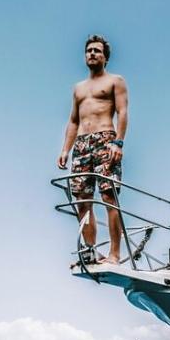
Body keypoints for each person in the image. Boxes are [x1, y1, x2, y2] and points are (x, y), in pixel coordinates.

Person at [57, 35, 129, 264]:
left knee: (109, 196)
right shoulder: (78, 88)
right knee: (82, 199)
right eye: (89, 50)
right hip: (81, 144)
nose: (92, 54)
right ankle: (89, 252)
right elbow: (73, 121)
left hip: (105, 140)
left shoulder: (115, 81)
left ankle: (115, 254)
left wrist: (118, 142)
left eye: (97, 51)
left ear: (105, 57)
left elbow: (123, 112)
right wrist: (65, 150)